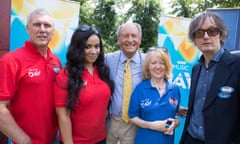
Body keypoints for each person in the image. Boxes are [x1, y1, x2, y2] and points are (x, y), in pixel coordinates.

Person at [0, 8, 61, 144]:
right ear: (28, 29)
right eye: (37, 24)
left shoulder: (56, 61)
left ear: (53, 31)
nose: (42, 29)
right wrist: (23, 140)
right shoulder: (11, 61)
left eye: (47, 25)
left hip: (53, 138)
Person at [180, 11, 240, 144]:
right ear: (194, 39)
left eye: (212, 31)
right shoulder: (196, 69)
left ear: (221, 35)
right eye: (200, 33)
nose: (206, 36)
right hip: (191, 138)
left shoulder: (237, 65)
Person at [53, 24, 114, 144]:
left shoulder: (102, 71)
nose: (93, 51)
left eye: (97, 46)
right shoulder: (65, 76)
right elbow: (63, 116)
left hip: (100, 139)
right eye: (87, 47)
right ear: (78, 48)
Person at [128, 48, 180, 144]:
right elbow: (132, 117)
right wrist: (150, 125)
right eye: (153, 63)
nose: (158, 66)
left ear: (167, 66)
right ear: (148, 66)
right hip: (145, 140)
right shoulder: (140, 89)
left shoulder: (174, 89)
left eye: (162, 63)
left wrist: (176, 123)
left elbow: (175, 116)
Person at [105, 22, 146, 144]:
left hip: (135, 123)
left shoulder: (149, 61)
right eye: (125, 35)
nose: (130, 40)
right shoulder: (107, 59)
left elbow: (162, 85)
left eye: (134, 36)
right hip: (110, 122)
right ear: (118, 39)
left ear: (140, 39)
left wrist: (175, 106)